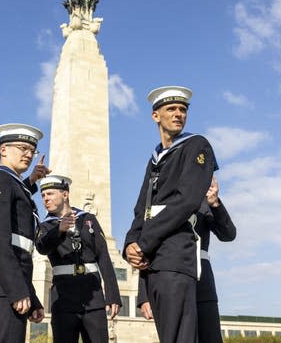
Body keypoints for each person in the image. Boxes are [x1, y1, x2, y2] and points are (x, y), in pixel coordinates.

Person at [123, 85, 218, 343]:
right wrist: (130, 243)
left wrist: (144, 243)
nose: (178, 114)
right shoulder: (155, 158)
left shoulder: (197, 145)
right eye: (171, 109)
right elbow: (141, 208)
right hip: (155, 260)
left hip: (176, 255)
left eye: (183, 109)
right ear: (156, 116)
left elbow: (185, 201)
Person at [0, 123, 51, 343]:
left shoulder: (11, 182)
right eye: (22, 148)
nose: (28, 154)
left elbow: (21, 254)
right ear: (3, 150)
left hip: (9, 287)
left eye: (32, 150)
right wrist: (16, 290)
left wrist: (31, 297)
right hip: (1, 287)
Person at [137, 176, 236, 343]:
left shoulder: (203, 199)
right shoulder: (160, 200)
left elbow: (228, 234)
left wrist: (215, 203)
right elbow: (146, 249)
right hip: (170, 280)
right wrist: (144, 295)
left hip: (202, 281)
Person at [35, 174, 122, 343]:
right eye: (43, 196)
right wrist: (59, 230)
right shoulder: (46, 225)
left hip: (93, 295)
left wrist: (113, 294)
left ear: (65, 194)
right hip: (63, 298)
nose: (46, 199)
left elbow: (103, 255)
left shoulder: (88, 219)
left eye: (50, 194)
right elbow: (42, 247)